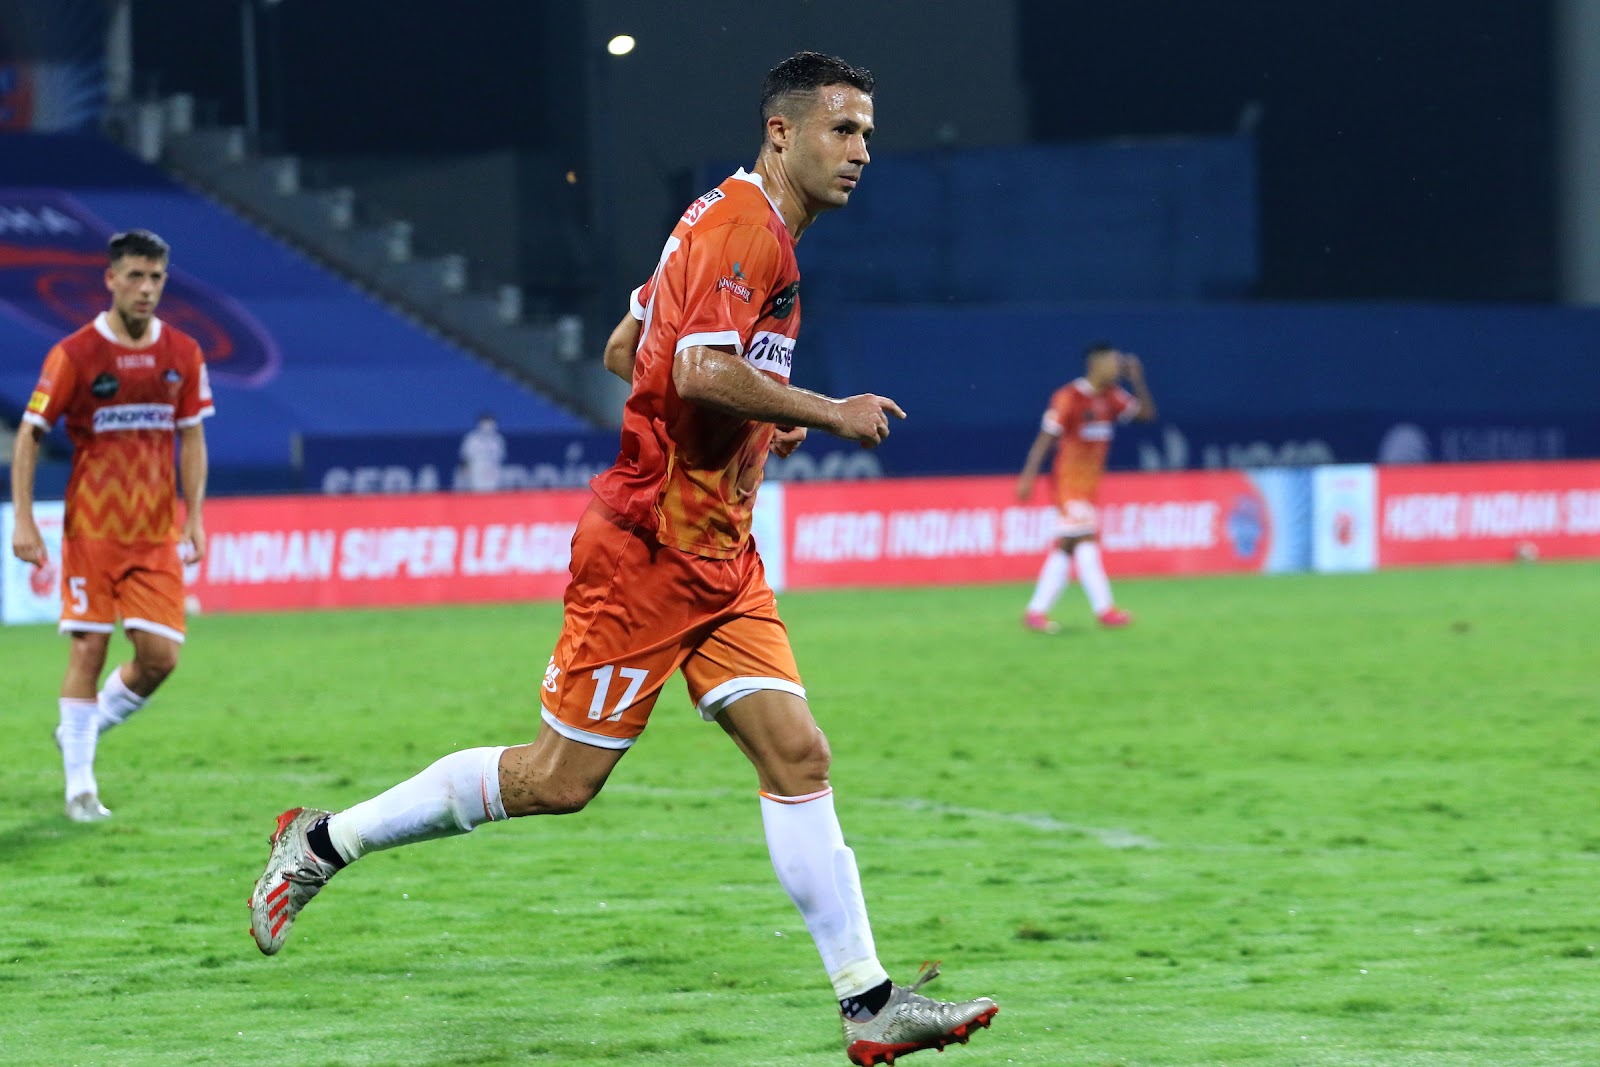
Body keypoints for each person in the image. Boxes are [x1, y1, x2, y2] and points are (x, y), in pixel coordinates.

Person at [248, 51, 997, 1066]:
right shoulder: (745, 234)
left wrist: (745, 428)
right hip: (649, 552)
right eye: (842, 129)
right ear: (783, 131)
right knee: (559, 779)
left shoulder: (718, 218)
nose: (861, 150)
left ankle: (866, 1002)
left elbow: (627, 347)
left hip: (719, 554)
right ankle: (321, 840)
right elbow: (692, 363)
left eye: (867, 131)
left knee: (798, 754)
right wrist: (825, 408)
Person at [10, 228, 213, 821]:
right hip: (92, 532)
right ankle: (80, 789)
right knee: (89, 649)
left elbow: (193, 435)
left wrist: (194, 515)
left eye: (155, 278)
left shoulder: (183, 353)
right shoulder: (75, 354)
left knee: (160, 658)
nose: (146, 288)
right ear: (111, 279)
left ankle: (84, 727)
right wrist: (23, 519)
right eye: (135, 276)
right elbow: (29, 433)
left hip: (153, 534)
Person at [1015, 342, 1156, 632]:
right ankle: (1105, 610)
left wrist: (1137, 379)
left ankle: (1035, 612)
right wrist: (1028, 477)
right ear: (1096, 364)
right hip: (1068, 483)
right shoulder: (1070, 397)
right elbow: (1045, 439)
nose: (1118, 367)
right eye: (1113, 362)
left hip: (1089, 486)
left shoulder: (1112, 397)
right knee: (1087, 539)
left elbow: (1146, 416)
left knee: (1066, 547)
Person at [455, 410, 505, 491]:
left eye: (490, 421)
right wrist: (467, 472)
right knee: (478, 492)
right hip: (477, 469)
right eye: (485, 422)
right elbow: (466, 457)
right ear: (480, 423)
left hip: (492, 469)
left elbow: (500, 458)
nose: (488, 425)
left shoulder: (498, 439)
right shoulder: (472, 438)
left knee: (493, 492)